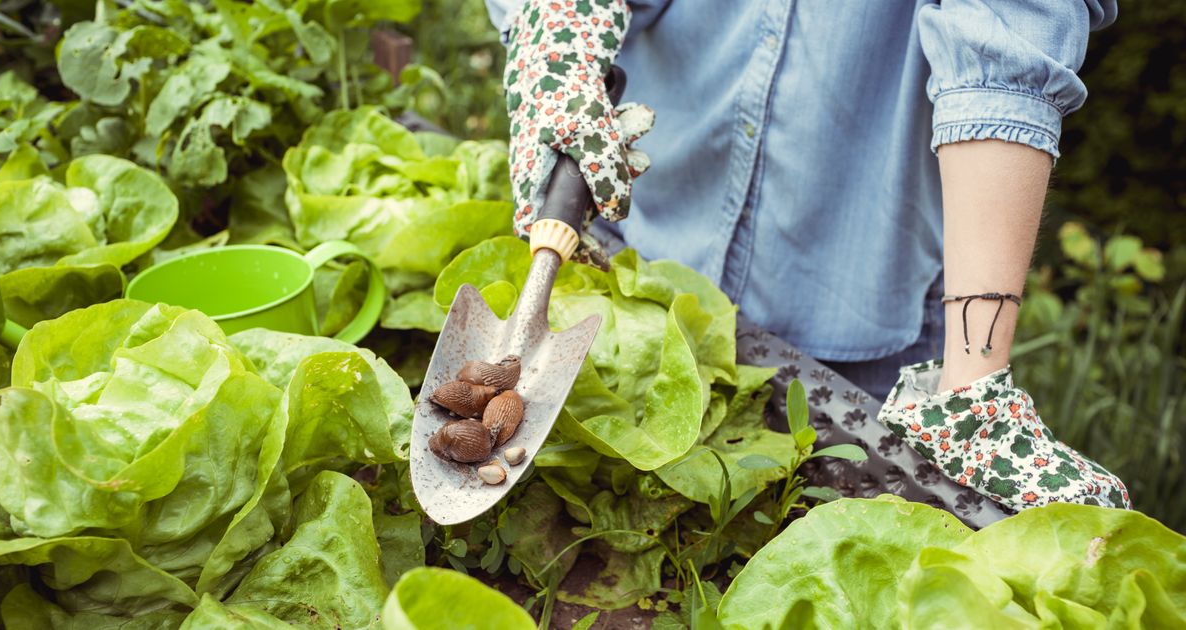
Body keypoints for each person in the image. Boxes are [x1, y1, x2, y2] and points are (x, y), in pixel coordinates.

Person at [484, 0, 1130, 513]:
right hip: (643, 254)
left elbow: (1004, 51)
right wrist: (559, 30)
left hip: (863, 310)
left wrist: (971, 387)